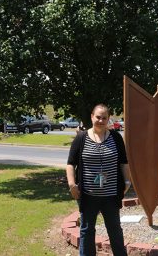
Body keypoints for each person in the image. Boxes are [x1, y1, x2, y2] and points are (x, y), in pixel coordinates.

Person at [66, 104, 131, 256]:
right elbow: (70, 164)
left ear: (108, 119)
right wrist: (72, 185)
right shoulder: (81, 138)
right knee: (87, 231)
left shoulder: (116, 138)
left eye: (104, 118)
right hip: (88, 195)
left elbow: (123, 162)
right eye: (98, 117)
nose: (101, 120)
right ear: (92, 117)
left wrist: (127, 182)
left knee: (115, 230)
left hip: (110, 196)